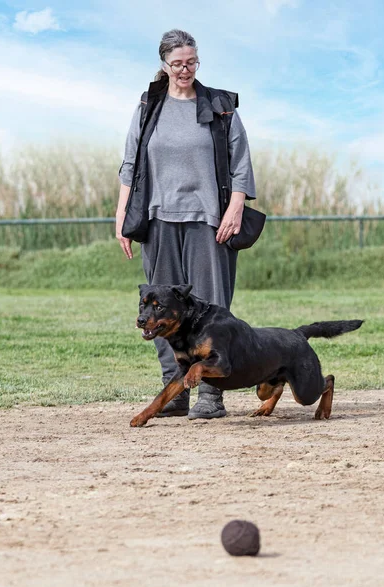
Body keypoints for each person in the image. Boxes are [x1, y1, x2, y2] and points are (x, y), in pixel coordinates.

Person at [115, 29, 256, 419]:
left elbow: (241, 161)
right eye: (177, 63)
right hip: (158, 219)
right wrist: (121, 214)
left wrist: (236, 208)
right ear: (164, 64)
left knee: (212, 310)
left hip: (210, 222)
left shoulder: (220, 105)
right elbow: (130, 162)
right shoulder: (148, 106)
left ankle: (211, 395)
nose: (185, 70)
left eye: (191, 62)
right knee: (160, 313)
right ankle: (174, 393)